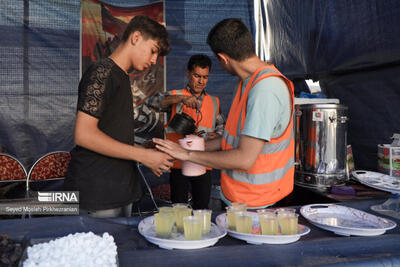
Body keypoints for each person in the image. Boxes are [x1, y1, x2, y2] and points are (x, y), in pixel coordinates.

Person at [153, 18, 295, 209]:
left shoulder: (265, 89)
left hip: (259, 204)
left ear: (223, 58)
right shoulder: (246, 83)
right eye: (197, 76)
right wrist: (196, 146)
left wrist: (187, 154)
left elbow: (244, 159)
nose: (201, 80)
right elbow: (234, 138)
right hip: (241, 199)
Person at [64, 15, 174, 218]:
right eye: (153, 51)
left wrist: (143, 150)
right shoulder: (101, 72)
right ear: (136, 37)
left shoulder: (122, 77)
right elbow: (84, 134)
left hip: (121, 191)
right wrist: (143, 156)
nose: (153, 60)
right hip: (97, 192)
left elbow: (110, 134)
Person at [160, 54, 224, 209]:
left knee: (202, 209)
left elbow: (220, 126)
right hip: (178, 164)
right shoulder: (175, 96)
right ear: (188, 74)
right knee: (179, 210)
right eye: (197, 76)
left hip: (203, 163)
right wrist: (180, 99)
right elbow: (156, 102)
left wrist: (219, 135)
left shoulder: (214, 101)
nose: (201, 81)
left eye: (205, 77)